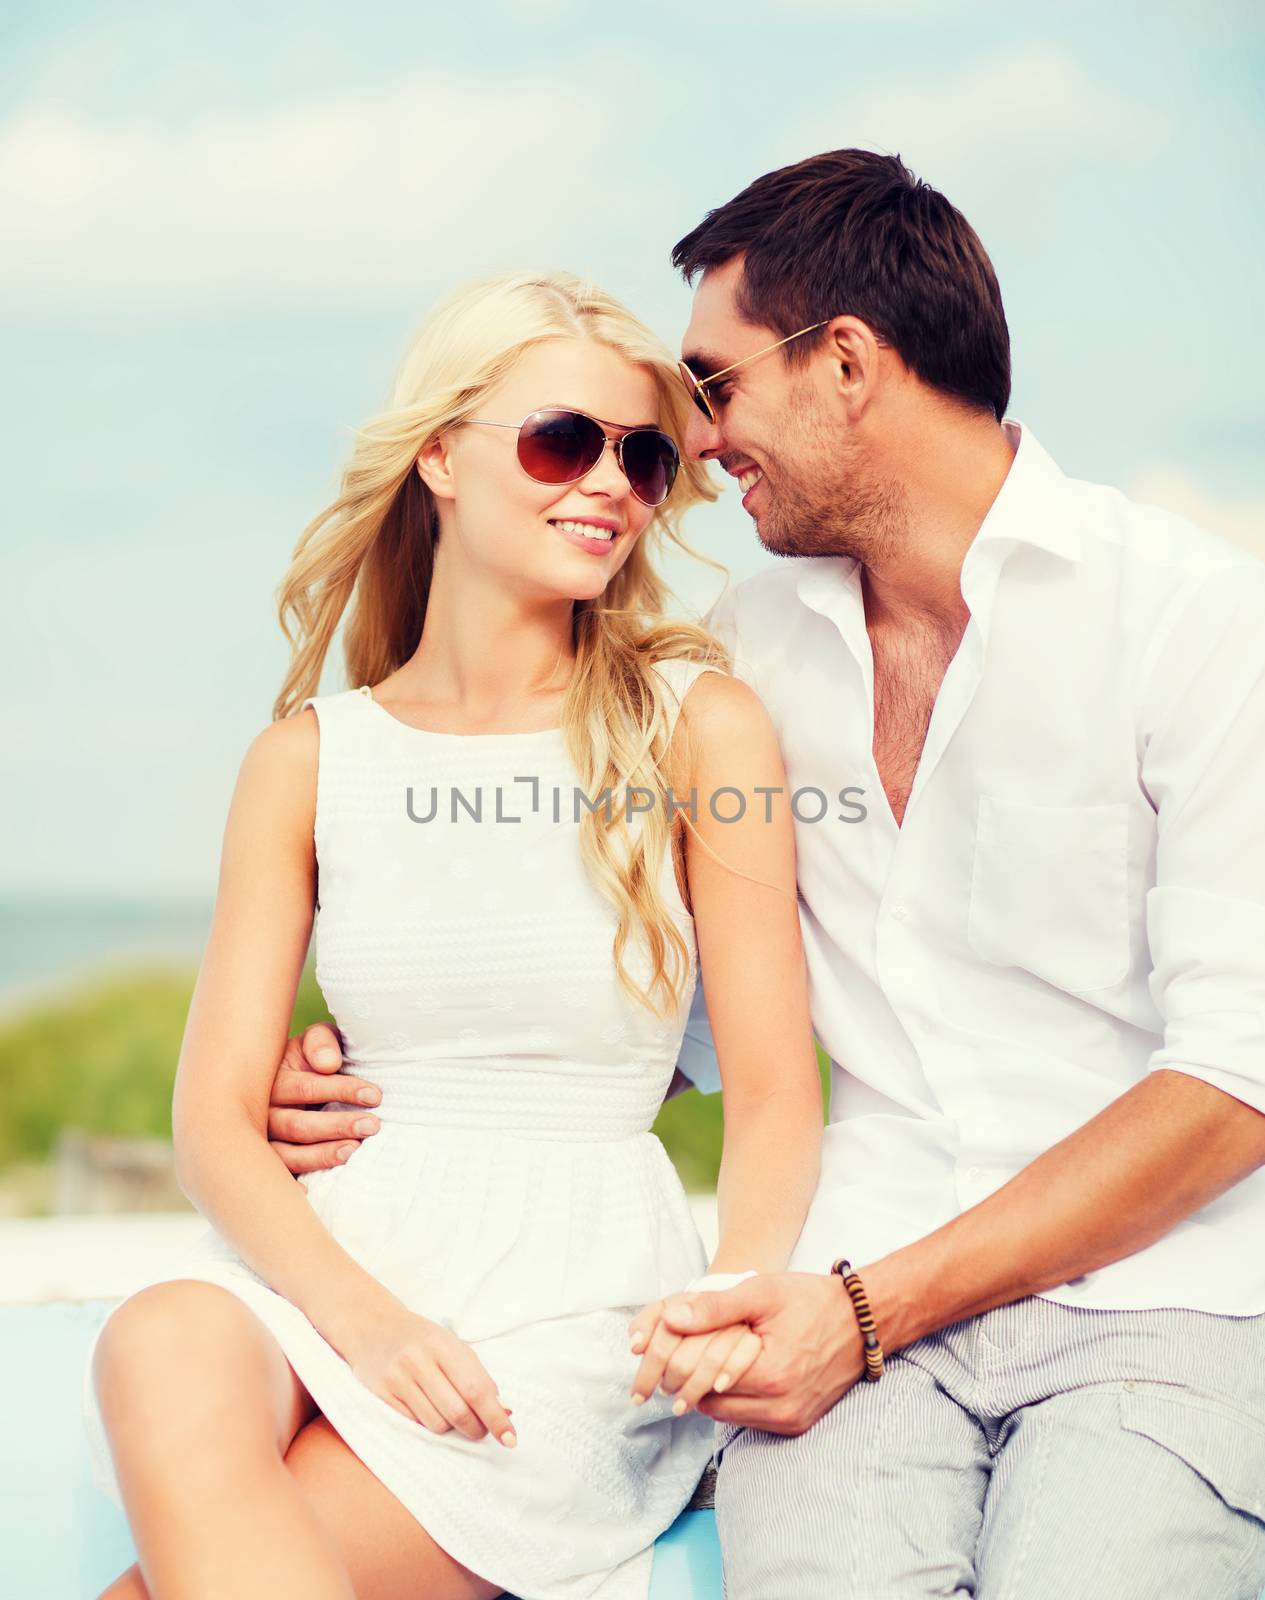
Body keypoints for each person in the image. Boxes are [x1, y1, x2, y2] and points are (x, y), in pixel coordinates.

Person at [275, 150, 1265, 1599]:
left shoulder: (1193, 620)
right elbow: (672, 1008)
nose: (696, 441)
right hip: (838, 1327)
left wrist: (863, 1311)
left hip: (1158, 1312)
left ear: (846, 364)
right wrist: (375, 1071)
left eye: (711, 391)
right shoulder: (743, 657)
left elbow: (1236, 1084)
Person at [79, 269, 824, 1600]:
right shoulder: (306, 759)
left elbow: (772, 1092)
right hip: (332, 1267)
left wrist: (734, 1295)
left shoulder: (699, 727)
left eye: (644, 456)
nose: (608, 481)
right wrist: (362, 1322)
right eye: (560, 439)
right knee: (155, 1342)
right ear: (437, 454)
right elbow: (213, 1121)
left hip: (571, 1297)